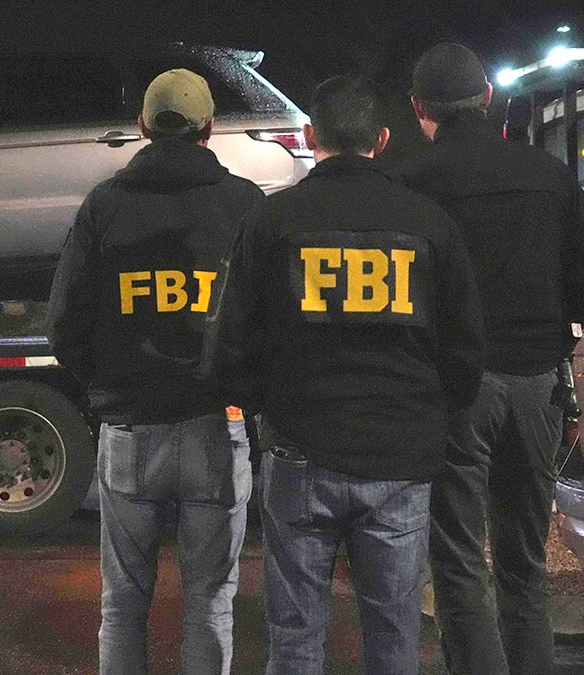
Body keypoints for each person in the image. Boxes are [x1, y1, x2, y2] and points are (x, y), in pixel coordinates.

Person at [205, 74, 485, 674]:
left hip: (302, 448)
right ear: (382, 140)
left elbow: (229, 347)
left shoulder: (274, 220)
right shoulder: (428, 222)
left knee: (297, 634)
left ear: (311, 135)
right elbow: (464, 352)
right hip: (401, 454)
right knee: (393, 632)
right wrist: (430, 415)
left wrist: (270, 405)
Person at [402, 43, 584, 674]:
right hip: (537, 383)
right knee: (526, 562)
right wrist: (555, 331)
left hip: (457, 390)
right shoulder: (546, 174)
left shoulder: (413, 186)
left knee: (460, 562)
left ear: (419, 110)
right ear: (488, 97)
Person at [48, 68, 261, 674]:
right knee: (210, 603)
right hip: (217, 424)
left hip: (130, 429)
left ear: (142, 126)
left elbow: (65, 324)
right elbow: (265, 321)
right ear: (209, 128)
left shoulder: (106, 205)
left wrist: (108, 387)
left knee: (122, 604)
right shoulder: (245, 204)